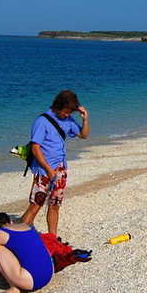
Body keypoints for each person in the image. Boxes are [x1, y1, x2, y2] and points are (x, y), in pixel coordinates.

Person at [20, 89, 89, 236]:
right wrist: (48, 169)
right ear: (58, 106)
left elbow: (83, 135)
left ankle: (53, 237)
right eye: (66, 111)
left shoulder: (67, 120)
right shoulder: (41, 121)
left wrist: (85, 119)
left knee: (55, 205)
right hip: (44, 171)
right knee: (35, 205)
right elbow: (35, 148)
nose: (67, 114)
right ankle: (20, 237)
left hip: (60, 169)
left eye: (70, 112)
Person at [0, 212, 54, 293]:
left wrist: (2, 275)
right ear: (11, 222)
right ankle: (17, 278)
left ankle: (13, 288)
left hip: (32, 281)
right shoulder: (26, 226)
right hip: (49, 274)